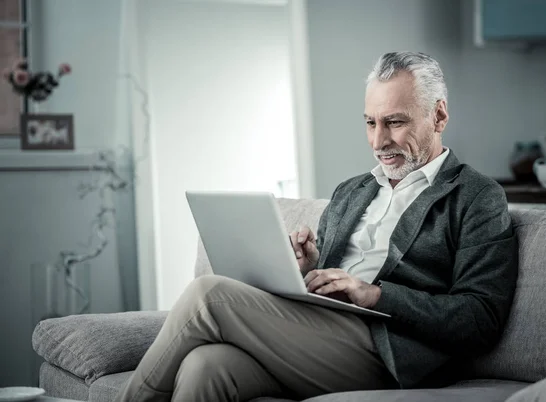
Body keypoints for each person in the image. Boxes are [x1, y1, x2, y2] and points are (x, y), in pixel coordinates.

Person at [115, 51, 518, 402]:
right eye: (370, 123)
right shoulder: (353, 190)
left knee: (209, 295)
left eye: (394, 122)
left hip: (390, 352)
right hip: (322, 333)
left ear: (439, 115)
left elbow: (479, 318)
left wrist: (375, 296)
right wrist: (307, 266)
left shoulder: (475, 196)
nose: (379, 141)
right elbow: (333, 277)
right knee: (207, 366)